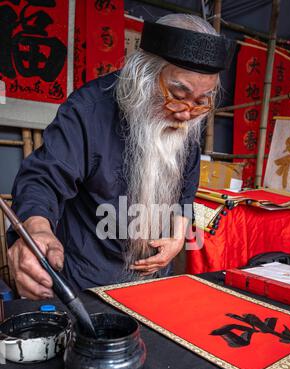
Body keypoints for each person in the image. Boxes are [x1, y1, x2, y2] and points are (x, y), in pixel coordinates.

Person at [7, 14, 235, 300]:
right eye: (178, 93)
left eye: (202, 102)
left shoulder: (185, 116)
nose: (186, 113)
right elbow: (44, 179)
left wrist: (178, 236)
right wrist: (37, 230)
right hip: (87, 283)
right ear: (144, 75)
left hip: (150, 282)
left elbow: (186, 186)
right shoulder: (89, 110)